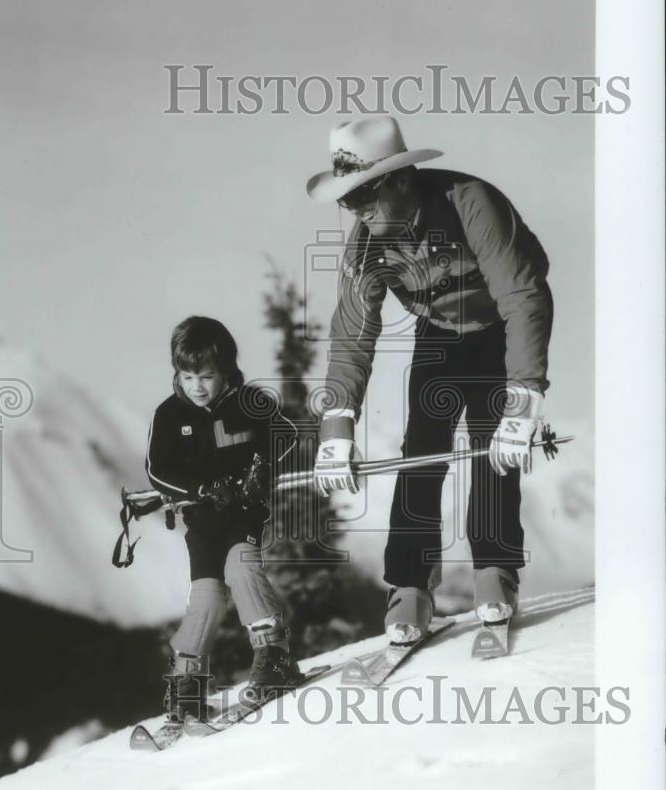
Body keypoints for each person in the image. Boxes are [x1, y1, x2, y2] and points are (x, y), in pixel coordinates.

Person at [307, 116, 553, 643]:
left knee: (494, 444)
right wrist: (335, 429)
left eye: (364, 196)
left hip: (500, 325)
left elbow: (524, 298)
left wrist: (525, 395)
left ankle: (495, 568)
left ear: (400, 179)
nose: (356, 211)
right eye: (346, 201)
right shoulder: (365, 248)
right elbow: (352, 335)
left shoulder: (471, 202)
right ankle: (409, 585)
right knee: (422, 445)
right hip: (440, 332)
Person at [146, 315, 302, 724]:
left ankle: (274, 658)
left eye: (208, 376)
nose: (197, 385)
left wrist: (263, 469)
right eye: (188, 375)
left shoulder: (251, 403)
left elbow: (285, 438)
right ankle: (186, 686)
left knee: (243, 569)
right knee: (207, 597)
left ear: (226, 371)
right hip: (202, 520)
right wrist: (200, 489)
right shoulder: (169, 415)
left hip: (243, 513)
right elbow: (157, 470)